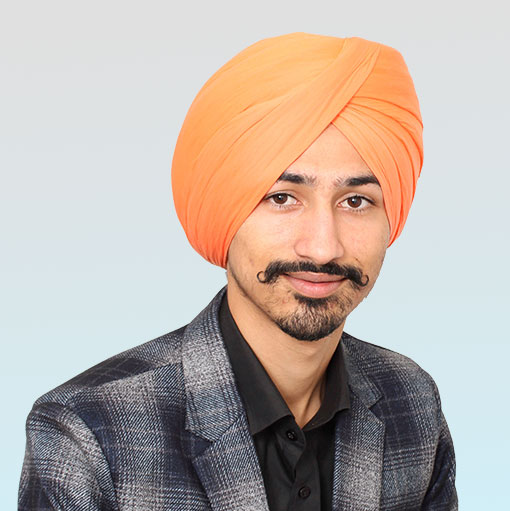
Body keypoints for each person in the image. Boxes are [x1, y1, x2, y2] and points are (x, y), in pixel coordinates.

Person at [18, 33, 457, 510]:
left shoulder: (409, 399)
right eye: (282, 198)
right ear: (223, 211)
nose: (323, 247)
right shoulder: (89, 433)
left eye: (356, 201)